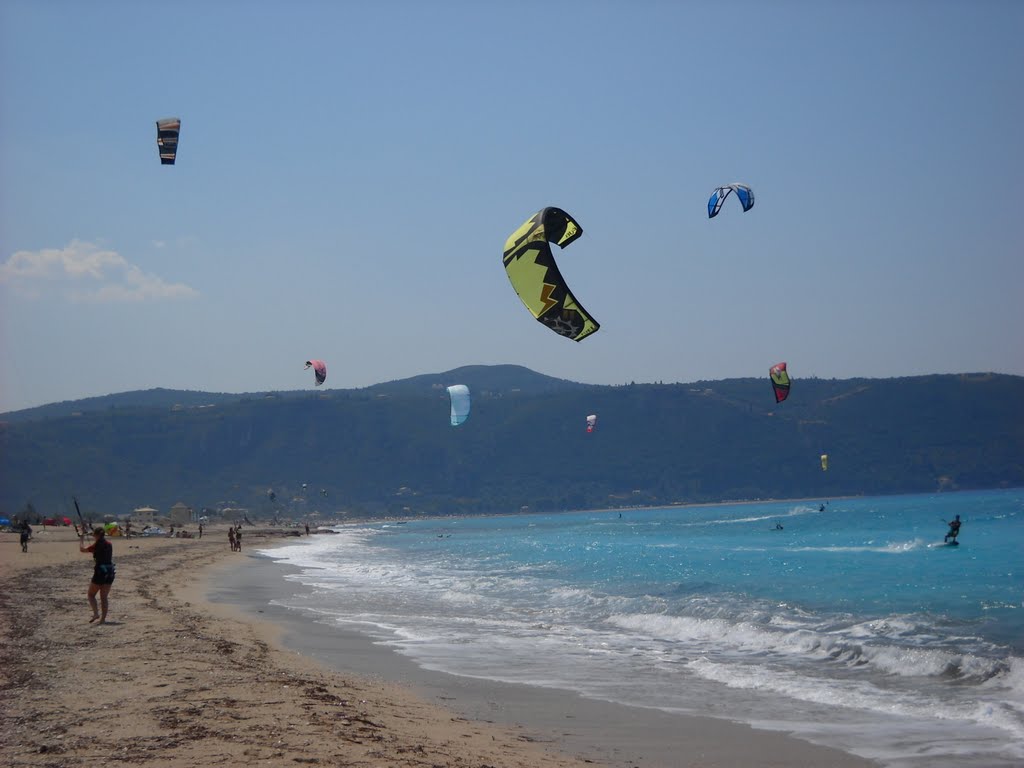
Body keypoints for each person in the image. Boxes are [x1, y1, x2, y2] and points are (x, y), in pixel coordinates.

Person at [80, 526, 115, 624]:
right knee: (104, 597)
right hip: (110, 571)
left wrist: (81, 539)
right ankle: (103, 619)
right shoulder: (109, 544)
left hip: (100, 572)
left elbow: (82, 549)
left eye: (94, 535)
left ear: (97, 535)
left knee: (91, 595)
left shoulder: (97, 545)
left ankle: (96, 613)